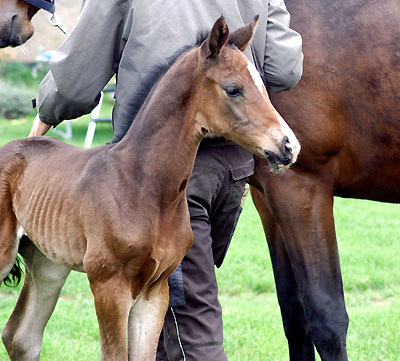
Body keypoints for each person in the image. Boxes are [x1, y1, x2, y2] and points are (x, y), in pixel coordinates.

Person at [29, 0, 303, 360]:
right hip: (233, 168)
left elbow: (75, 80)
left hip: (154, 170)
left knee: (187, 321)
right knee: (163, 319)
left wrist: (43, 120)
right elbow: (283, 68)